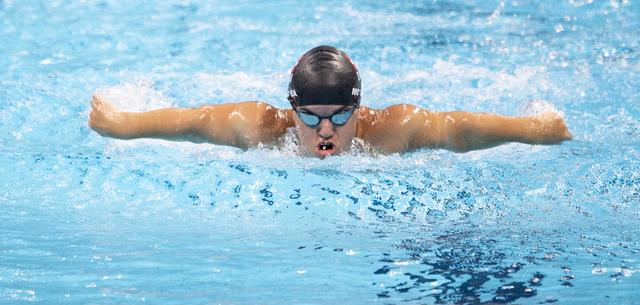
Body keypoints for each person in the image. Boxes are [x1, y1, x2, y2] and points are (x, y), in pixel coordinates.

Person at [89, 45, 571, 158]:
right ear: (292, 108)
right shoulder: (255, 126)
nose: (325, 132)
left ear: (359, 108)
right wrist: (122, 123)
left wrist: (534, 129)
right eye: (311, 118)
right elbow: (185, 121)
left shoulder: (393, 129)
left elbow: (460, 128)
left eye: (341, 116)